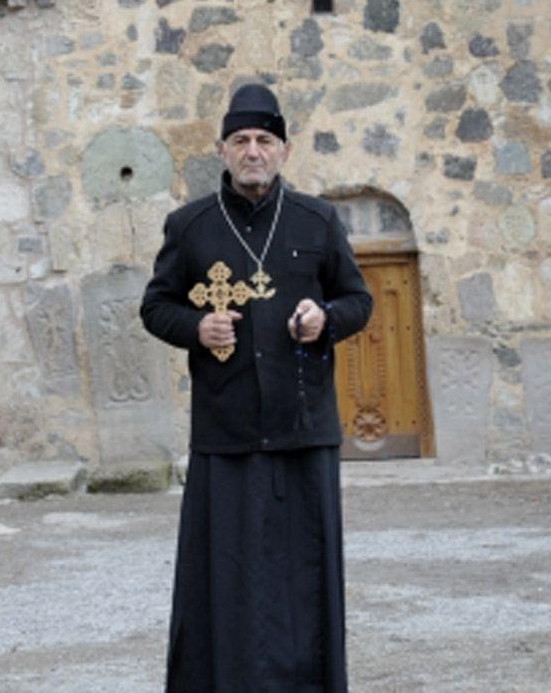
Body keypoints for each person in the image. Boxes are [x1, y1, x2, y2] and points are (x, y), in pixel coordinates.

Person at [140, 83, 373, 692]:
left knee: (305, 575)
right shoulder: (189, 226)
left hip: (303, 426)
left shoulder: (317, 220)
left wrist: (325, 321)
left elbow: (358, 301)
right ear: (222, 149)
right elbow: (155, 307)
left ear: (284, 151)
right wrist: (197, 325)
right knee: (228, 578)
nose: (253, 152)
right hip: (227, 430)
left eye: (264, 141)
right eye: (241, 141)